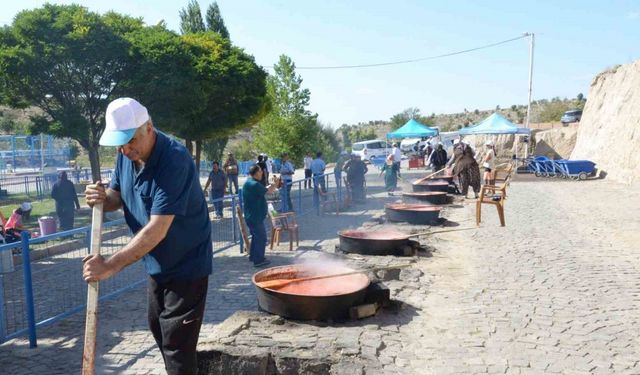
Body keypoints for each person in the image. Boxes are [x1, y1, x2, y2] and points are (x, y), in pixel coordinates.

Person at [83, 98, 212, 375]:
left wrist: (109, 265)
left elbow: (157, 228)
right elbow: (116, 197)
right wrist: (102, 198)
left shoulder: (174, 160)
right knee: (159, 329)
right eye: (120, 143)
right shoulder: (125, 154)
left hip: (187, 264)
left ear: (149, 127)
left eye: (130, 141)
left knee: (177, 344)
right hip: (156, 263)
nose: (125, 149)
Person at [242, 164, 277, 267]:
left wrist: (271, 185)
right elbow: (269, 191)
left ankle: (253, 256)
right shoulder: (254, 185)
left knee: (256, 237)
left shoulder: (250, 183)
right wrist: (275, 183)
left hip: (252, 216)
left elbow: (263, 190)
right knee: (261, 238)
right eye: (260, 171)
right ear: (256, 173)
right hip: (255, 217)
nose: (262, 172)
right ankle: (259, 260)